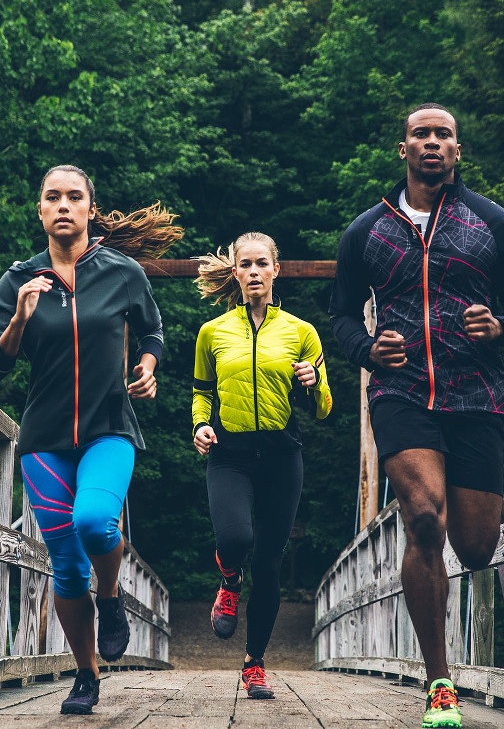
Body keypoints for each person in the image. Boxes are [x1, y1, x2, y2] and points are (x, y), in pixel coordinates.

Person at [328, 104, 504, 729]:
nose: (432, 143)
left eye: (443, 135)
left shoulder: (494, 225)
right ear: (403, 149)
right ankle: (439, 681)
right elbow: (340, 315)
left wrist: (501, 326)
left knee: (475, 547)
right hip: (401, 395)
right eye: (421, 134)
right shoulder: (366, 231)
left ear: (457, 150)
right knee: (423, 520)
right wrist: (366, 349)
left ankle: (447, 652)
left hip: (475, 395)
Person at [0, 164, 182, 716]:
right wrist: (20, 316)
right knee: (66, 566)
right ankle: (86, 673)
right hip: (44, 440)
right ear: (40, 211)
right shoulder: (16, 281)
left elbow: (154, 331)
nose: (64, 205)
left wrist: (146, 364)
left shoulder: (121, 272)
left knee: (94, 521)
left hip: (109, 427)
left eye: (75, 197)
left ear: (91, 209)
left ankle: (112, 597)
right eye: (53, 197)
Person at [191, 232, 333, 699]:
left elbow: (325, 408)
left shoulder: (301, 331)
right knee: (235, 538)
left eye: (261, 264)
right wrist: (200, 425)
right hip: (229, 455)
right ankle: (229, 579)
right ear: (234, 272)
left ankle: (254, 663)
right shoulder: (212, 332)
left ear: (277, 269)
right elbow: (201, 392)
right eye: (244, 264)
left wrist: (313, 382)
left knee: (270, 565)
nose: (253, 272)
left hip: (280, 456)